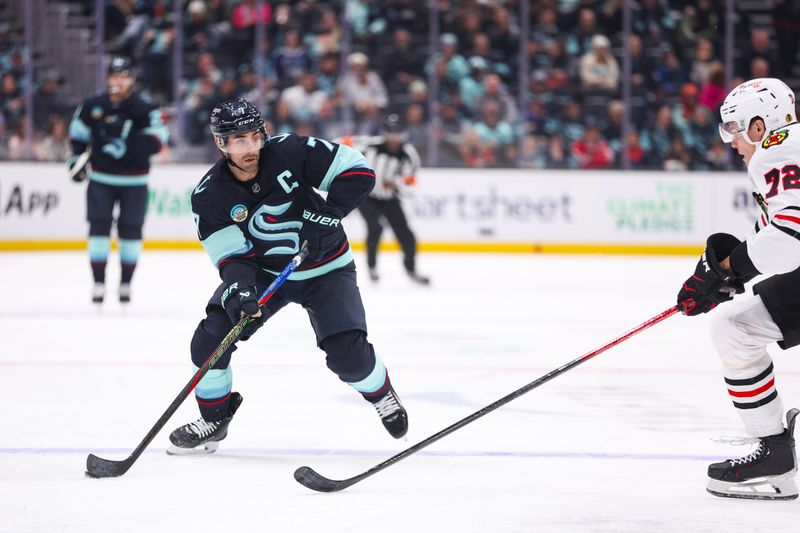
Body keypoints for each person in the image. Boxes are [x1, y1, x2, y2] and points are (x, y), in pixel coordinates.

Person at [167, 98, 408, 455]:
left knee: (347, 355)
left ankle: (381, 393)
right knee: (210, 341)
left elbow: (358, 171)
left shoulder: (290, 151)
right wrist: (242, 291)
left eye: (254, 136)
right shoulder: (210, 195)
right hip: (266, 276)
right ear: (221, 144)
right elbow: (232, 256)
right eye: (239, 140)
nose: (251, 148)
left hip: (327, 268)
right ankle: (214, 419)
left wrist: (328, 215)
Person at [676, 77, 799, 500]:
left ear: (761, 126)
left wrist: (730, 271)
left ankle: (776, 458)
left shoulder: (779, 150)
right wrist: (723, 273)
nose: (729, 140)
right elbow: (776, 231)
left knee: (736, 329)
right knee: (735, 326)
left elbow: (789, 240)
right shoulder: (790, 146)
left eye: (734, 128)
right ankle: (776, 460)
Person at [67, 56, 169, 304]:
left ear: (131, 79)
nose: (119, 81)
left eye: (124, 76)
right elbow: (77, 135)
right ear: (108, 78)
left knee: (131, 231)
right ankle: (99, 282)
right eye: (115, 76)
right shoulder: (93, 105)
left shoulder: (144, 108)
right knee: (98, 227)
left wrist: (131, 136)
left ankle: (125, 283)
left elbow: (158, 141)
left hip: (135, 182)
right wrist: (76, 159)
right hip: (101, 178)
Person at [343, 114, 430, 285]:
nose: (394, 138)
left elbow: (411, 186)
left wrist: (397, 183)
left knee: (406, 234)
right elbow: (341, 143)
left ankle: (411, 269)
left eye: (397, 133)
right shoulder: (369, 144)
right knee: (375, 228)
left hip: (389, 198)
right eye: (390, 132)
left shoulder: (408, 154)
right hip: (366, 195)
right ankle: (372, 267)